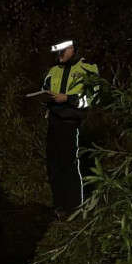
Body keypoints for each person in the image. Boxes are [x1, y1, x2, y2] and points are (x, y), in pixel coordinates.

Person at [41, 40, 99, 214]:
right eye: (57, 53)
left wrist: (68, 99)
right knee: (54, 165)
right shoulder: (54, 70)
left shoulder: (87, 68)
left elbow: (92, 98)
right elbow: (45, 89)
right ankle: (59, 205)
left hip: (72, 124)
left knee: (71, 166)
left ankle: (75, 208)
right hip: (54, 122)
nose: (58, 56)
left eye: (62, 52)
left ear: (72, 49)